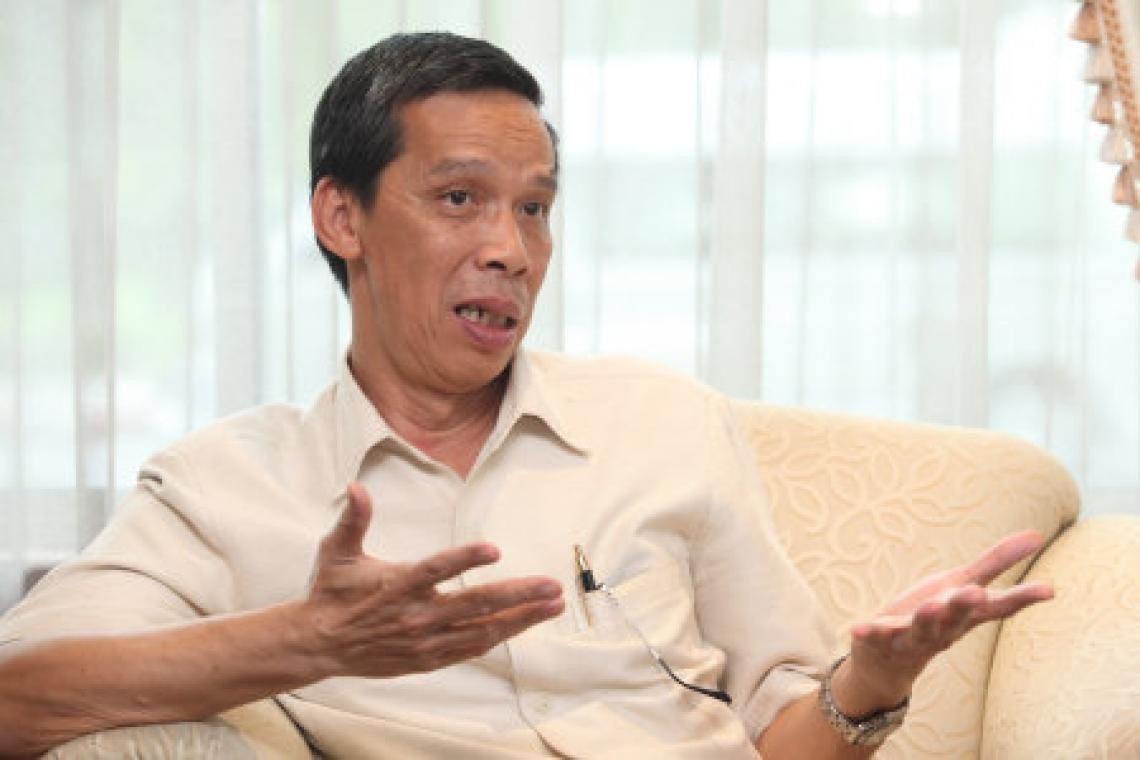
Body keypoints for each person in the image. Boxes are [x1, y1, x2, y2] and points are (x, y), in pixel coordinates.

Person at [0, 32, 1051, 759]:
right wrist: (311, 642)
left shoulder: (665, 421)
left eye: (535, 209)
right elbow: (15, 697)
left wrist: (873, 683)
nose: (510, 249)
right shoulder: (228, 486)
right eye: (460, 199)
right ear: (342, 217)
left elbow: (790, 739)